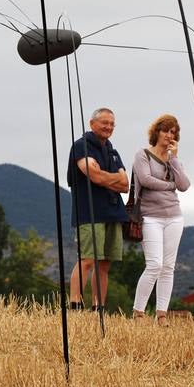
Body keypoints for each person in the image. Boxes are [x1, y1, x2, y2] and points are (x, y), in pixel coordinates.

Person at [67, 108, 129, 310]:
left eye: (112, 124)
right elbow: (93, 175)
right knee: (87, 259)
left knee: (105, 264)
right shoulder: (81, 146)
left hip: (113, 212)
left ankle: (98, 306)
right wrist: (112, 178)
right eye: (104, 123)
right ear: (92, 123)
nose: (109, 127)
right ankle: (75, 303)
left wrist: (103, 177)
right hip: (89, 212)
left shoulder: (113, 151)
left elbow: (125, 184)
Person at [132, 114, 190, 325]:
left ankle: (162, 314)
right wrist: (169, 185)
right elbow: (146, 180)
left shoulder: (174, 160)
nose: (169, 135)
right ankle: (138, 312)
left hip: (174, 217)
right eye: (166, 130)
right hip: (150, 217)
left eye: (173, 132)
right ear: (157, 132)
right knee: (154, 264)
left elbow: (184, 185)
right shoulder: (143, 155)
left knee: (168, 267)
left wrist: (174, 159)